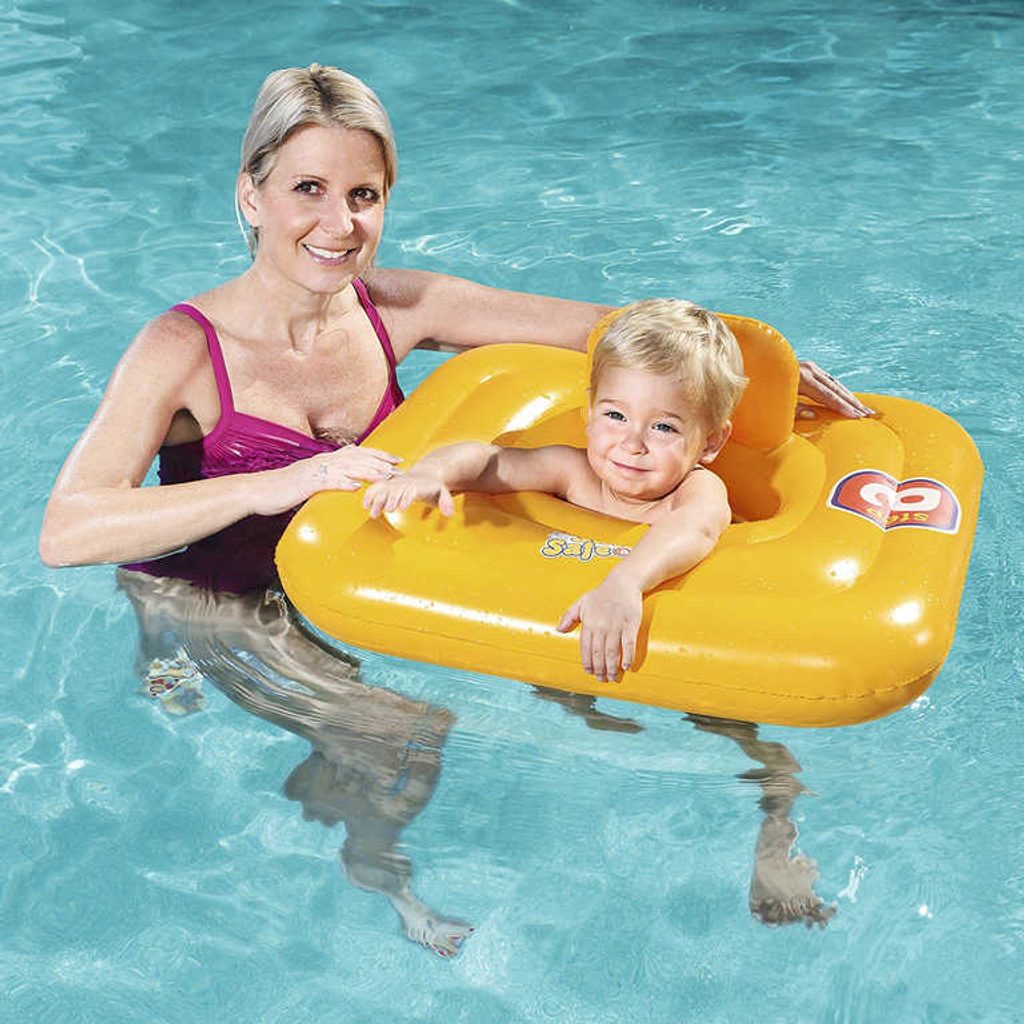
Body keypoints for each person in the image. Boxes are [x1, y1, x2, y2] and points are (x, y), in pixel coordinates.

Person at [38, 63, 870, 594]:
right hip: (209, 597)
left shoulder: (402, 306)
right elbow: (67, 530)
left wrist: (748, 361)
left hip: (346, 584)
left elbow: (603, 330)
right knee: (388, 750)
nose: (339, 224)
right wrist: (278, 483)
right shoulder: (181, 349)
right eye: (308, 189)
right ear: (251, 197)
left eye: (363, 195)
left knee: (422, 743)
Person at [363, 298, 745, 682]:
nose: (632, 444)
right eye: (615, 415)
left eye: (664, 427)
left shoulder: (697, 489)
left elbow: (695, 528)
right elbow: (488, 461)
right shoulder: (573, 472)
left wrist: (626, 582)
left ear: (711, 442)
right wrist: (430, 474)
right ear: (589, 413)